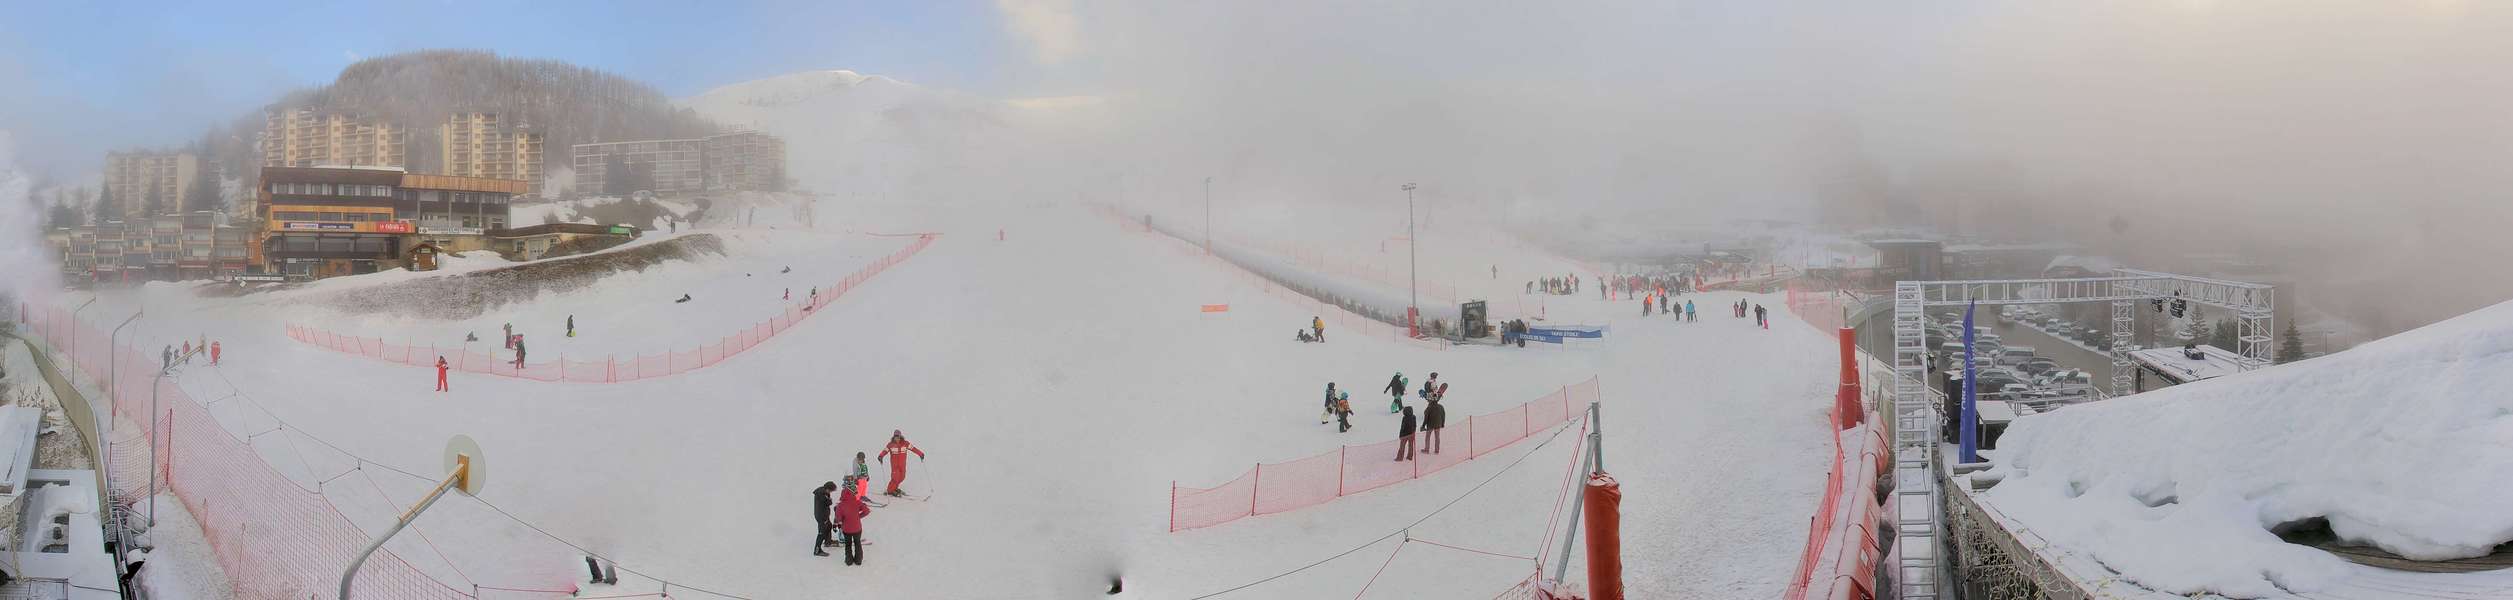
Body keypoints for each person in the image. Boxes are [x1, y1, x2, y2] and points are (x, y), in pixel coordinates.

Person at [835, 476, 870, 565]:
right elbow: (867, 511)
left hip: (846, 528)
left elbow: (838, 518)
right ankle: (858, 560)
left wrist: (842, 521)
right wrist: (858, 516)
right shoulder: (857, 502)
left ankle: (849, 560)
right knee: (857, 543)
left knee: (848, 544)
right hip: (857, 528)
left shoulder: (840, 505)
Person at [878, 430, 925, 496]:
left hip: (902, 465)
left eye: (898, 436)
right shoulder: (890, 445)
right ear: (893, 437)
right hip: (895, 465)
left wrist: (920, 454)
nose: (897, 438)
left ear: (900, 436)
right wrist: (881, 456)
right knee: (895, 478)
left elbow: (914, 449)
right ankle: (890, 490)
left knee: (902, 477)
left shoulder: (905, 444)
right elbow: (885, 451)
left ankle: (894, 488)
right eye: (895, 436)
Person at [812, 481, 838, 556]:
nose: (831, 492)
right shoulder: (822, 494)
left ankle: (828, 541)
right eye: (831, 491)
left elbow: (828, 501)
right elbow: (829, 502)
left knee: (829, 526)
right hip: (822, 516)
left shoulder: (824, 492)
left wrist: (829, 499)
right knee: (821, 533)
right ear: (828, 489)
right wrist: (829, 499)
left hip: (824, 515)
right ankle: (817, 550)